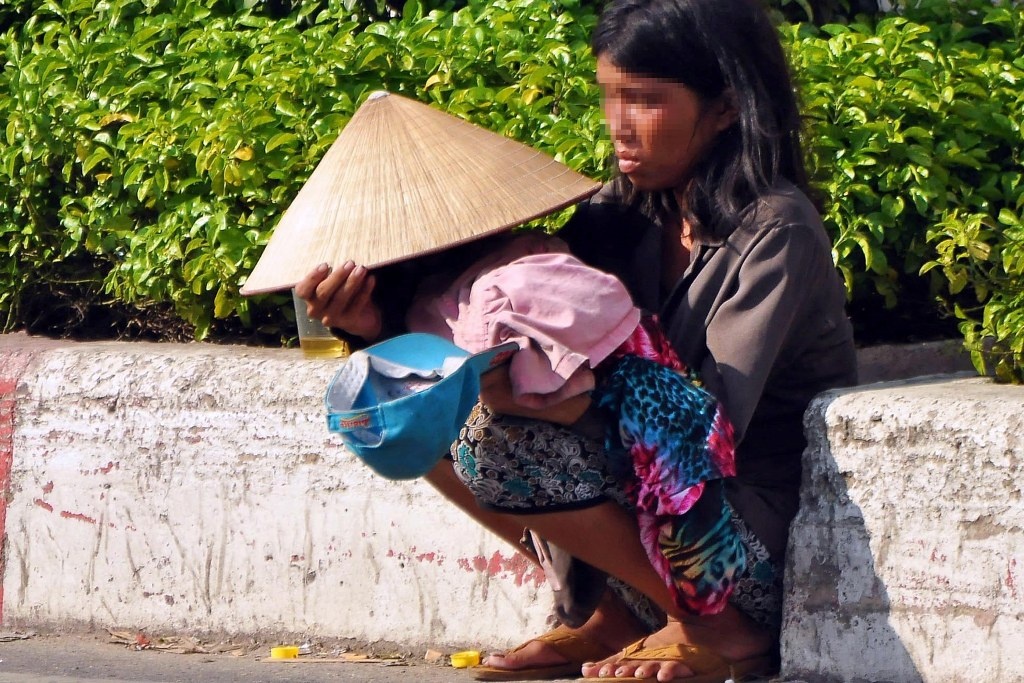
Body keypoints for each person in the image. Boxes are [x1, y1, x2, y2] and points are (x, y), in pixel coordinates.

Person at [295, 0, 858, 679]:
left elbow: (699, 426)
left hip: (734, 536)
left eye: (646, 100)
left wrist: (540, 392)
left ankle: (719, 628)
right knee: (401, 411)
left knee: (502, 433)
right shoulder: (618, 212)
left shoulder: (776, 231)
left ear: (727, 108)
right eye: (609, 96)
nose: (619, 126)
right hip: (649, 523)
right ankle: (611, 612)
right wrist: (374, 329)